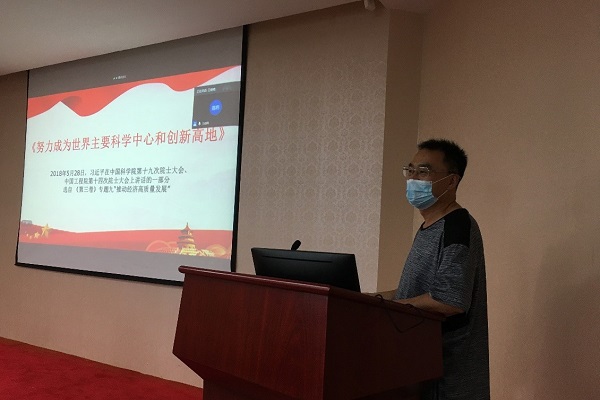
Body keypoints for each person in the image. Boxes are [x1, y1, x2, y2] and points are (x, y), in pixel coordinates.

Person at [394, 139, 490, 400]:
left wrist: (392, 305)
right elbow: (417, 291)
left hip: (448, 379)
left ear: (451, 181)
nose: (413, 178)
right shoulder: (429, 226)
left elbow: (449, 300)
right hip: (419, 369)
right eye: (410, 170)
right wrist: (373, 298)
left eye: (424, 172)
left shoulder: (456, 226)